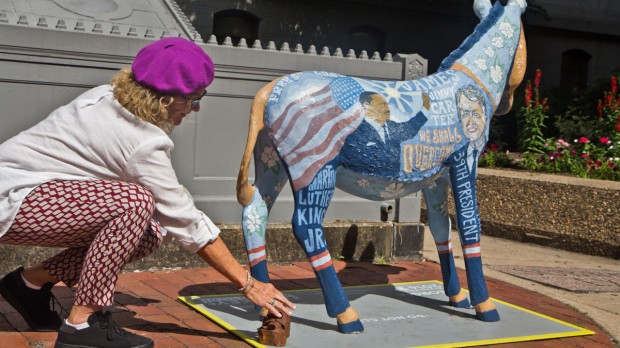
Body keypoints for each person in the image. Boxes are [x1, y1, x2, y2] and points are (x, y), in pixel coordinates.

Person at [0, 37, 295, 348]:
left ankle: (28, 284)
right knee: (134, 203)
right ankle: (83, 324)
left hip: (30, 193)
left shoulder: (107, 96)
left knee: (149, 232)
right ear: (166, 99)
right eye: (194, 98)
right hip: (11, 198)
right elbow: (186, 219)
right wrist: (249, 284)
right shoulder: (141, 141)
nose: (195, 109)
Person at [341, 91, 429, 177]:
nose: (387, 108)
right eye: (382, 105)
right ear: (367, 106)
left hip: (392, 183)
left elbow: (410, 128)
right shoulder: (355, 133)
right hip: (366, 184)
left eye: (386, 104)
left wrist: (425, 108)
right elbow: (350, 160)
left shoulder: (392, 128)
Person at [455, 84, 488, 174]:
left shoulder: (480, 143)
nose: (470, 122)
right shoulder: (456, 152)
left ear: (485, 116)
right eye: (465, 115)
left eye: (476, 114)